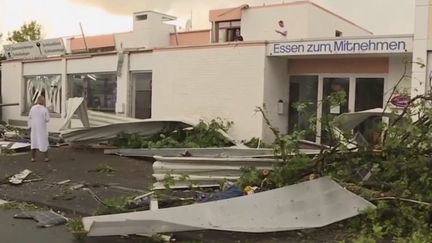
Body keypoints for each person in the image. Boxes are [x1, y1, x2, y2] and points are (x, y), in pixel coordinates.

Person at [29, 96, 50, 162]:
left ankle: (33, 158)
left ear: (37, 101)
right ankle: (46, 157)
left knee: (33, 143)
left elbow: (30, 116)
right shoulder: (44, 109)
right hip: (42, 129)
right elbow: (47, 119)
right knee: (43, 142)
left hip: (34, 129)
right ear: (43, 102)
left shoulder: (33, 108)